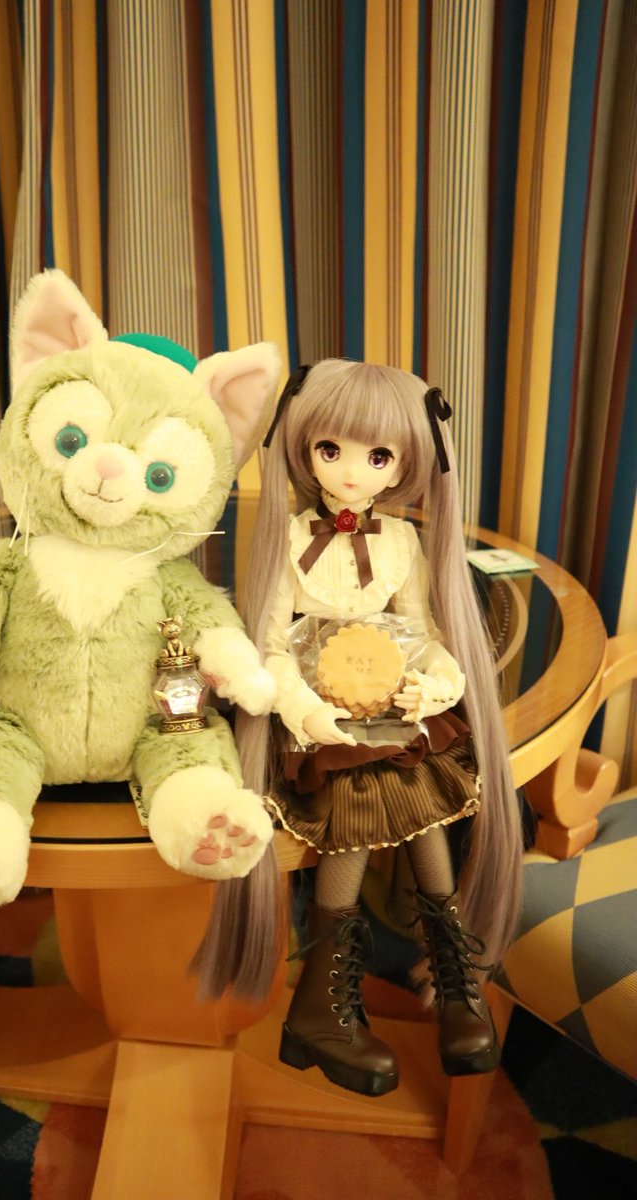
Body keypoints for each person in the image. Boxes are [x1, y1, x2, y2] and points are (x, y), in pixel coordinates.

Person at [235, 359, 522, 1097]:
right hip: (312, 712)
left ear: (403, 466)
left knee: (414, 784)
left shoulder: (400, 543)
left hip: (391, 703)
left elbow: (425, 633)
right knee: (364, 791)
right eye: (331, 450)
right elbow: (271, 647)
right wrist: (306, 711)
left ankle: (444, 977)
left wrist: (438, 683)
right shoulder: (285, 539)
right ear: (303, 448)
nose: (351, 471)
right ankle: (335, 996)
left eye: (378, 456)